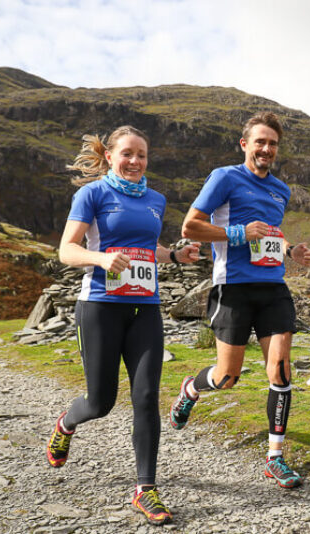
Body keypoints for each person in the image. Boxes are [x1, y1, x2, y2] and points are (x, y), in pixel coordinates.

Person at [45, 125, 200, 526]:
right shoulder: (92, 194)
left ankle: (145, 489)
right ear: (111, 156)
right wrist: (100, 260)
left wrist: (177, 257)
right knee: (101, 403)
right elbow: (67, 249)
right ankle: (66, 422)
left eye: (142, 155)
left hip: (144, 307)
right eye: (127, 154)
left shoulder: (156, 200)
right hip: (100, 306)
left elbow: (149, 251)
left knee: (146, 396)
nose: (135, 161)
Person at [169, 111, 310, 489]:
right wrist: (238, 232)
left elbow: (269, 235)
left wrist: (289, 249)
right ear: (245, 144)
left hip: (272, 288)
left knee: (280, 370)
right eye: (260, 142)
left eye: (273, 144)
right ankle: (190, 389)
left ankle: (275, 458)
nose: (267, 149)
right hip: (232, 288)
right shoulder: (225, 177)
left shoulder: (280, 190)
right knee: (227, 376)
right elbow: (191, 227)